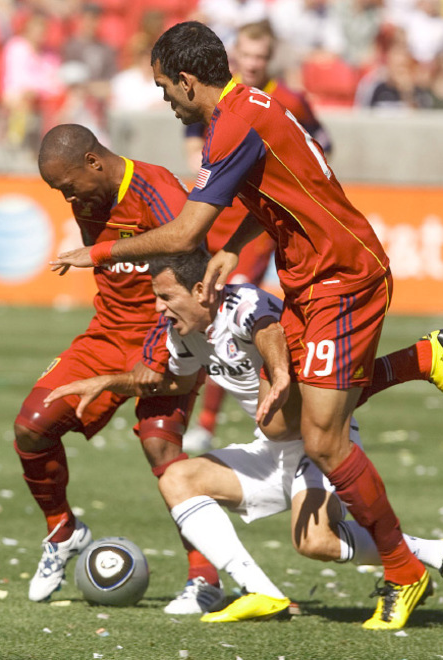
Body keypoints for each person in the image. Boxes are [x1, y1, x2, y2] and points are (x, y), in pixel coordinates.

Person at [51, 21, 443, 630]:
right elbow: (286, 188)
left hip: (342, 279)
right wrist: (243, 242)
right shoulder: (252, 109)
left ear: (188, 80)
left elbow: (184, 233)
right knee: (302, 417)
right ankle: (420, 362)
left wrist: (93, 253)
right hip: (314, 275)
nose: (165, 101)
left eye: (165, 88)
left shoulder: (233, 126)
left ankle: (405, 573)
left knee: (325, 440)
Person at [45, 249, 443, 623]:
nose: (159, 307)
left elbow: (271, 330)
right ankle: (261, 592)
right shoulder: (181, 333)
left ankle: (437, 552)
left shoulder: (240, 303)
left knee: (314, 539)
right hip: (274, 446)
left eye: (165, 297)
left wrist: (278, 374)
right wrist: (106, 382)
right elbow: (175, 384)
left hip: (319, 440)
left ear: (201, 291)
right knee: (177, 478)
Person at [14, 124, 220, 607]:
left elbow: (192, 255)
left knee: (161, 448)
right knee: (30, 427)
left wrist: (163, 344)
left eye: (67, 186)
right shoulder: (85, 193)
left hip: (164, 333)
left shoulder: (157, 190)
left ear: (94, 163)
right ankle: (63, 531)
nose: (66, 198)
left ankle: (205, 581)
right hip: (105, 336)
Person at [183, 19, 333, 453]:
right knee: (198, 310)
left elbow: (320, 143)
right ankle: (210, 414)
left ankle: (211, 421)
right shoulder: (218, 97)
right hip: (214, 213)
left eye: (260, 57)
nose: (252, 64)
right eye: (245, 56)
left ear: (270, 59)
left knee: (227, 306)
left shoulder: (284, 100)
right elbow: (195, 142)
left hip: (256, 223)